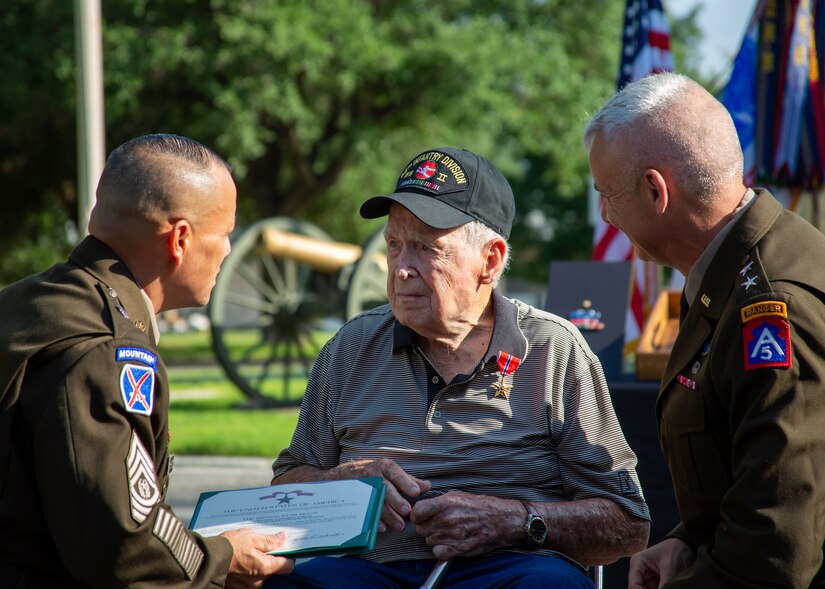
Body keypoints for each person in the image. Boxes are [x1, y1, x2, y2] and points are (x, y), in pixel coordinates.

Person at [265, 147, 651, 589]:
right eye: (395, 245)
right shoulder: (350, 348)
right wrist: (344, 480)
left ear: (489, 261)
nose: (401, 269)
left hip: (510, 570)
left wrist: (514, 521)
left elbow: (627, 523)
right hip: (370, 572)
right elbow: (287, 486)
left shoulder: (553, 349)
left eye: (426, 248)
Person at [0, 134, 294, 588]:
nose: (229, 251)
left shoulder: (25, 302)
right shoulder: (106, 350)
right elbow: (122, 546)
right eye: (225, 235)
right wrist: (222, 559)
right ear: (180, 239)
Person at [584, 72, 825, 588]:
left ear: (655, 190)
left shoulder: (770, 302)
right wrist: (687, 541)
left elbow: (776, 549)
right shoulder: (734, 275)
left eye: (608, 194)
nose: (605, 217)